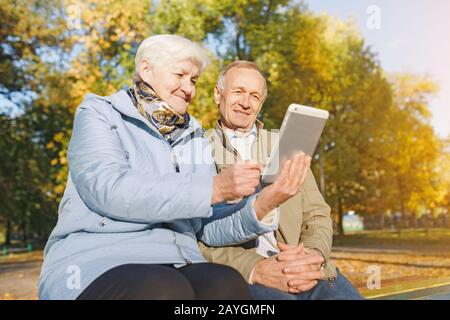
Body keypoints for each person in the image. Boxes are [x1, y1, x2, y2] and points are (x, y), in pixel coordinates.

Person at [38, 36, 311, 300]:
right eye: (179, 75)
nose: (188, 88)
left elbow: (206, 228)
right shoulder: (100, 113)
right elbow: (109, 189)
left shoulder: (193, 135)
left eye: (193, 80)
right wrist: (215, 187)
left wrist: (264, 201)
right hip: (99, 259)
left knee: (226, 284)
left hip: (177, 261)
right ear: (146, 69)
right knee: (165, 289)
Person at [199, 60, 363, 300]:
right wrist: (254, 267)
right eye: (238, 92)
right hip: (246, 274)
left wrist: (313, 254)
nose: (245, 103)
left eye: (254, 96)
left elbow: (317, 214)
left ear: (261, 104)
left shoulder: (285, 144)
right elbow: (195, 237)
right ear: (218, 94)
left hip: (304, 268)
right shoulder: (198, 149)